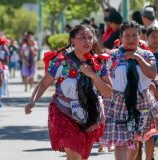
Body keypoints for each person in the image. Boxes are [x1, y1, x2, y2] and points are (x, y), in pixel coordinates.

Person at [25, 24, 112, 160]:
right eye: (82, 37)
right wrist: (32, 101)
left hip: (90, 114)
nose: (87, 41)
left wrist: (93, 75)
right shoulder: (61, 62)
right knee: (74, 155)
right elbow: (43, 83)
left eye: (90, 38)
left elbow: (108, 92)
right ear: (72, 40)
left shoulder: (99, 63)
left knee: (83, 156)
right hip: (64, 111)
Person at [102, 21, 158, 160]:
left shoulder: (147, 55)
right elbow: (104, 78)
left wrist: (137, 57)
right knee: (121, 141)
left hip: (141, 103)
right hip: (118, 103)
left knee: (135, 140)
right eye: (127, 36)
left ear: (140, 36)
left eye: (134, 35)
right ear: (121, 36)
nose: (131, 39)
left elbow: (151, 73)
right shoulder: (112, 56)